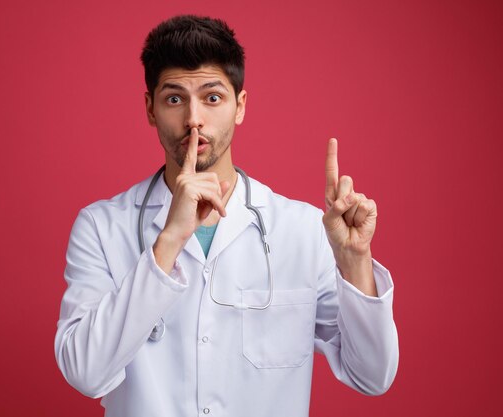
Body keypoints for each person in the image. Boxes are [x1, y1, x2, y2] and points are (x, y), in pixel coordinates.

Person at [54, 15, 398, 417]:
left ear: (240, 107)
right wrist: (168, 243)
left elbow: (373, 376)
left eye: (212, 98)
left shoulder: (303, 231)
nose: (193, 119)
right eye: (174, 98)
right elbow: (85, 372)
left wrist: (355, 260)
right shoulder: (101, 228)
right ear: (150, 108)